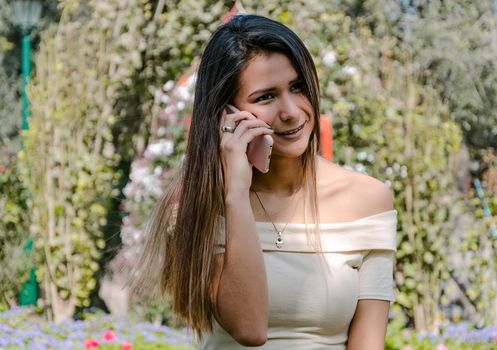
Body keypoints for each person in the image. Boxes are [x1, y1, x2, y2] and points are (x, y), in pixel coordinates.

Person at [133, 14, 397, 350]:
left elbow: (367, 344)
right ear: (226, 114)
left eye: (297, 86)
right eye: (265, 97)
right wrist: (236, 194)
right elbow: (250, 328)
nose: (290, 111)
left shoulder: (368, 200)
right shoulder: (196, 203)